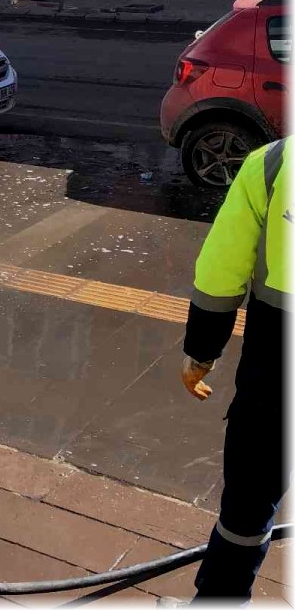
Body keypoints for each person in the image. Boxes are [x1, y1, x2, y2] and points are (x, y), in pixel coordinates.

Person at [175, 138, 288, 603]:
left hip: (277, 370)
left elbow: (221, 272)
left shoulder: (275, 163)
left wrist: (201, 353)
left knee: (250, 497)